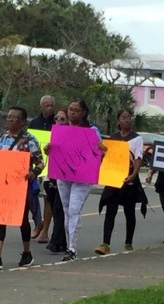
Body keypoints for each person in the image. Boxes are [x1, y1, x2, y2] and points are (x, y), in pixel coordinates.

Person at [0, 106, 44, 270]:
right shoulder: (0, 138)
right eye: (8, 117)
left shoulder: (29, 140)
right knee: (0, 218)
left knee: (21, 219)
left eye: (14, 117)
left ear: (23, 121)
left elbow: (40, 162)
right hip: (2, 184)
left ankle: (26, 252)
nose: (10, 120)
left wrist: (33, 172)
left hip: (20, 185)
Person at [46, 99, 106, 262]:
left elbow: (99, 154)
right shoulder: (61, 130)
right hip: (64, 175)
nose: (72, 112)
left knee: (74, 209)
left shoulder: (91, 130)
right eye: (70, 109)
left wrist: (102, 151)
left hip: (82, 177)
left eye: (76, 110)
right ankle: (69, 245)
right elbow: (53, 151)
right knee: (66, 211)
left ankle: (72, 248)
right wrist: (48, 149)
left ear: (83, 113)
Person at [95, 109, 148, 254]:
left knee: (129, 211)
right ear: (118, 120)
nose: (127, 120)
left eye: (129, 117)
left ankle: (128, 243)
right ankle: (105, 243)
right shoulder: (113, 138)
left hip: (129, 179)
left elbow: (138, 158)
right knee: (110, 210)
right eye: (124, 118)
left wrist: (134, 174)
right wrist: (103, 151)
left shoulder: (137, 139)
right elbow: (107, 159)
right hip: (114, 179)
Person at [27, 96, 56, 239]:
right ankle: (38, 222)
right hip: (36, 164)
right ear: (41, 107)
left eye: (51, 105)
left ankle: (45, 230)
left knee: (47, 197)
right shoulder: (34, 123)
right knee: (32, 194)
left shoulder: (58, 122)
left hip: (52, 164)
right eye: (46, 105)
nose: (49, 108)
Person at [43, 108, 68, 253]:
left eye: (62, 119)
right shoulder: (51, 136)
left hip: (65, 178)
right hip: (51, 177)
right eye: (57, 119)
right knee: (54, 207)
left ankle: (55, 240)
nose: (58, 121)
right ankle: (62, 241)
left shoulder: (70, 136)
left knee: (60, 209)